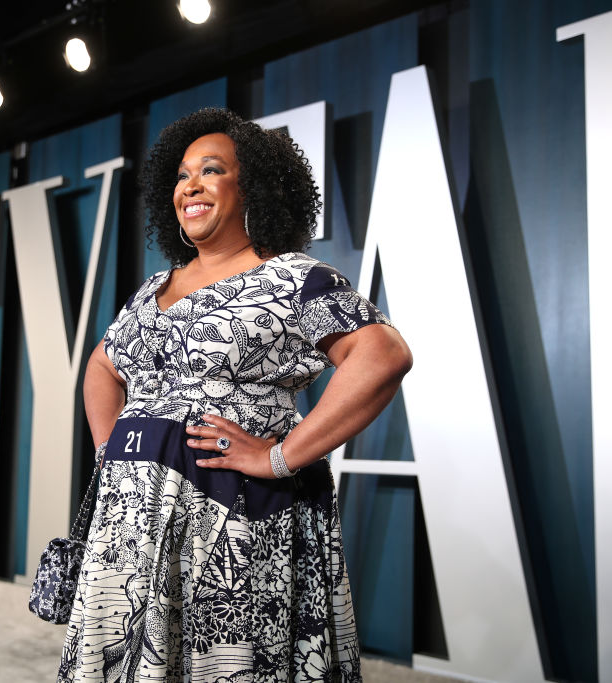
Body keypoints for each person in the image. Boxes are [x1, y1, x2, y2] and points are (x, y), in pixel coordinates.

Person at [58, 108, 412, 682]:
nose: (190, 185)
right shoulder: (154, 289)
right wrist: (112, 452)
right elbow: (102, 366)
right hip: (129, 528)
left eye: (211, 170)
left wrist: (279, 455)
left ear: (255, 187)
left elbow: (383, 356)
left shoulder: (295, 279)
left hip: (233, 518)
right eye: (180, 176)